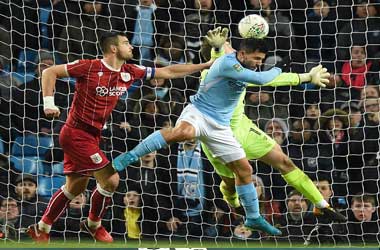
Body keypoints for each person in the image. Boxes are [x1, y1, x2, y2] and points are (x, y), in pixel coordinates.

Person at [113, 27, 341, 235]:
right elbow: (263, 78)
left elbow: (234, 55)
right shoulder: (225, 64)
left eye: (262, 60)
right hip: (200, 113)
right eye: (257, 59)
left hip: (224, 126)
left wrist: (220, 45)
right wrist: (303, 76)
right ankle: (129, 157)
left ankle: (253, 217)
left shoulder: (231, 56)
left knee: (245, 171)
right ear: (240, 55)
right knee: (182, 133)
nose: (259, 63)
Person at [26, 31, 213, 243]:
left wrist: (204, 65)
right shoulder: (89, 66)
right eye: (126, 43)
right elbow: (49, 71)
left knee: (75, 186)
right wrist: (49, 104)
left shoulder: (130, 71)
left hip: (93, 136)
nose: (131, 46)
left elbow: (168, 71)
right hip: (75, 134)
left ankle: (42, 227)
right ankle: (93, 224)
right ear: (113, 48)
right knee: (111, 180)